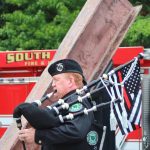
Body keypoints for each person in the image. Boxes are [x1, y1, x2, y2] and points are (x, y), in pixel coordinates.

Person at [18, 59, 94, 150]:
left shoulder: (76, 101)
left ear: (70, 81)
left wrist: (38, 135)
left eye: (56, 80)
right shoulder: (67, 101)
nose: (53, 85)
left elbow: (75, 130)